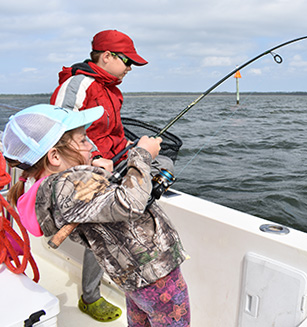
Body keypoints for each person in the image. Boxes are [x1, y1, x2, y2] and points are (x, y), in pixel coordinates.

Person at [3, 104, 190, 326]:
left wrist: (103, 175)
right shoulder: (68, 184)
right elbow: (130, 203)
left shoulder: (55, 186)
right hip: (155, 274)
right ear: (54, 156)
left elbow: (101, 207)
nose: (90, 144)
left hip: (135, 275)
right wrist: (142, 155)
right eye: (82, 140)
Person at [49, 29, 174, 321]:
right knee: (105, 227)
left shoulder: (111, 88)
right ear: (107, 56)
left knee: (165, 160)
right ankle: (90, 297)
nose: (130, 68)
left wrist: (131, 147)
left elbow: (112, 132)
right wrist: (92, 159)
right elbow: (58, 129)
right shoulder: (77, 85)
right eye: (127, 61)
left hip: (115, 160)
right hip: (89, 168)